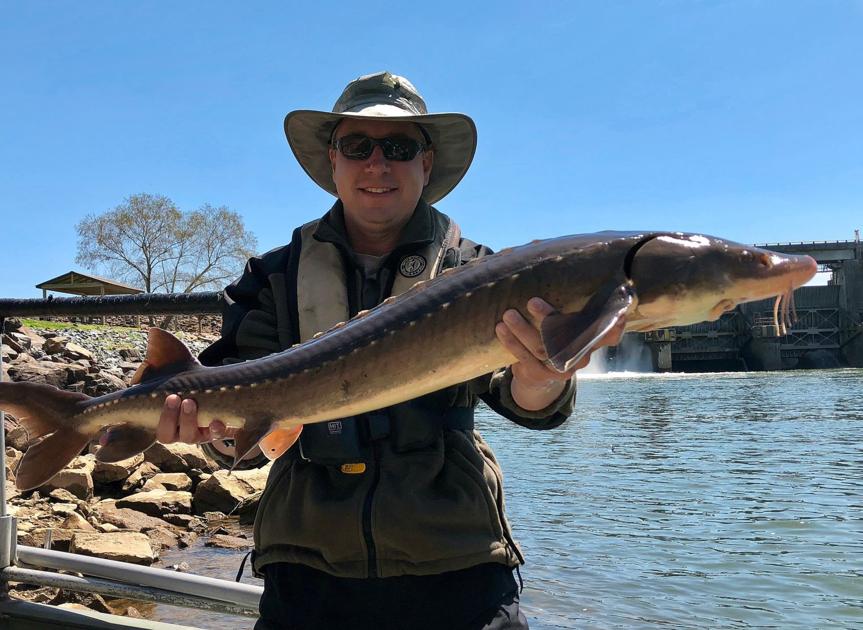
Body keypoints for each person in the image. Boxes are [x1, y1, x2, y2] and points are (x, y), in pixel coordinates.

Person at [155, 72, 622, 629]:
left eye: (399, 148)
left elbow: (527, 405)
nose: (378, 165)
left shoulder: (481, 272)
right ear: (334, 160)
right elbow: (239, 423)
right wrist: (210, 434)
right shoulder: (273, 276)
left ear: (426, 164)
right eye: (358, 146)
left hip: (456, 559)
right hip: (307, 565)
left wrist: (544, 374)